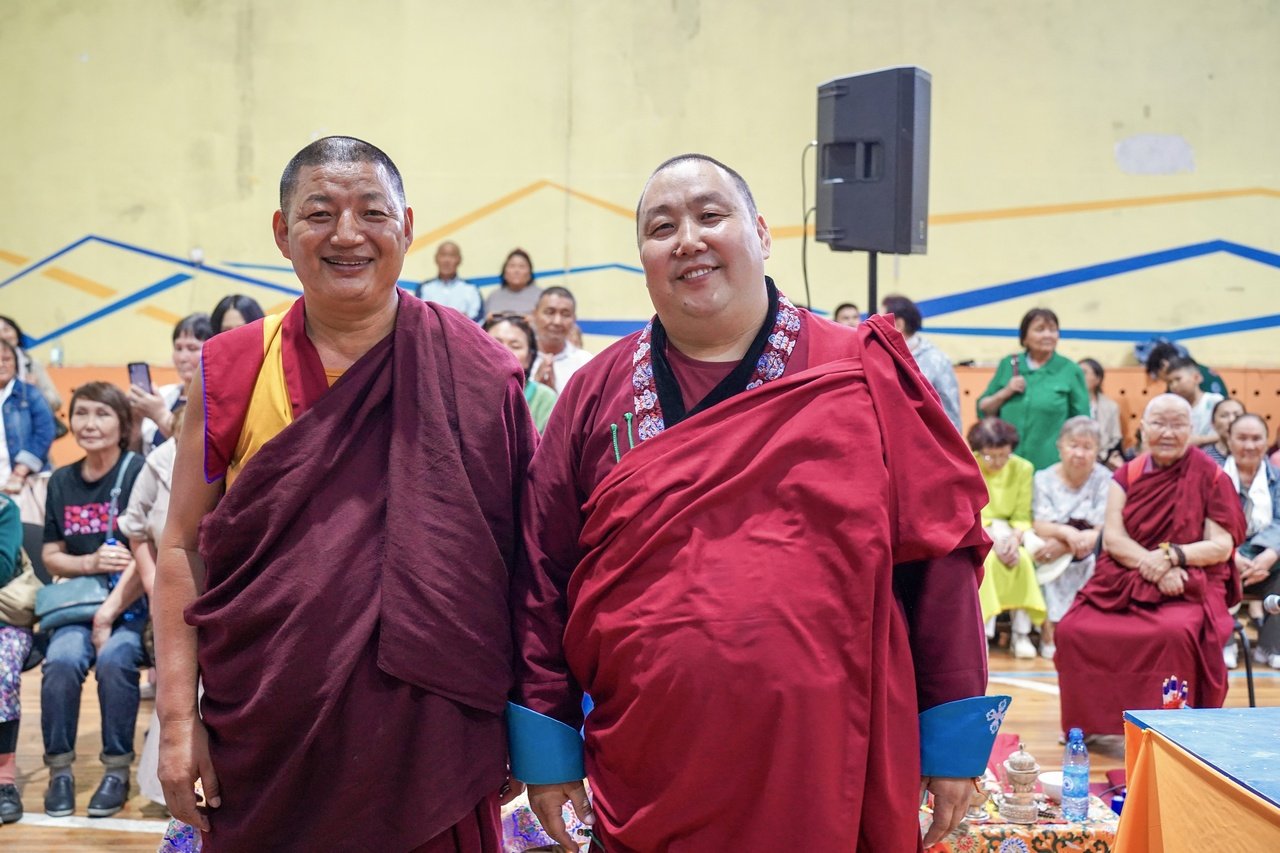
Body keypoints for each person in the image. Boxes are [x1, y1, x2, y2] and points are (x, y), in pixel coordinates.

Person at [510, 154, 1005, 852]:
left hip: (832, 757)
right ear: (643, 259)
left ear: (763, 234)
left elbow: (942, 553)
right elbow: (542, 570)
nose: (688, 239)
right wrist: (549, 744)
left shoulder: (862, 373)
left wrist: (951, 737)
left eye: (710, 216)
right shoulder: (593, 393)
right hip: (645, 762)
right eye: (661, 227)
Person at [154, 136, 536, 851]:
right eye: (320, 213)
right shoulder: (231, 368)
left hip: (435, 734)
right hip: (266, 731)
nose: (347, 234)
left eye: (371, 212)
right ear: (282, 232)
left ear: (408, 227)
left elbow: (526, 556)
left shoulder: (479, 371)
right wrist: (178, 721)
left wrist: (529, 721)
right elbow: (180, 548)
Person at [1055, 394, 1244, 736]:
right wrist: (1155, 565)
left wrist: (1173, 556)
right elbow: (1113, 539)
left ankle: (1171, 728)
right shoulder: (1127, 474)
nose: (1167, 433)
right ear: (1142, 428)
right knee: (1072, 629)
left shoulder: (1212, 476)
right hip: (1126, 577)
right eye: (1159, 423)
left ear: (1191, 429)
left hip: (1190, 581)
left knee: (1175, 633)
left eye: (1177, 425)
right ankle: (1090, 724)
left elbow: (1220, 546)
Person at [40, 381, 147, 818]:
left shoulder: (138, 470)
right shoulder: (61, 480)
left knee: (116, 661)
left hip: (131, 606)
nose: (89, 423)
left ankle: (116, 771)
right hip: (77, 605)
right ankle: (60, 771)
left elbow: (150, 555)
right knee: (61, 662)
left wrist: (108, 614)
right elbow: (50, 554)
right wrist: (89, 562)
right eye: (81, 413)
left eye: (102, 414)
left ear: (122, 424)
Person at [1031, 417, 1110, 660]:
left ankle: (1087, 634)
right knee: (1044, 558)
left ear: (1097, 451)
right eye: (1073, 445)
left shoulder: (1106, 479)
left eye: (1087, 447)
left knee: (1096, 562)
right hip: (1051, 542)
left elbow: (1104, 527)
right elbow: (1039, 523)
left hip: (1090, 547)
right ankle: (1050, 633)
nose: (1079, 453)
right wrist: (1067, 535)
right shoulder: (1043, 478)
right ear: (1060, 447)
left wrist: (1067, 546)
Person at [968, 418, 1046, 658]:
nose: (998, 462)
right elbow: (970, 509)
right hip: (978, 529)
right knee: (988, 563)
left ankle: (1021, 634)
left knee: (1021, 561)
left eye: (1003, 455)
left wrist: (1015, 537)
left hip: (1010, 532)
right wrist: (990, 538)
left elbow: (1022, 515)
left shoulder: (1023, 468)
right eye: (990, 456)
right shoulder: (969, 464)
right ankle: (983, 633)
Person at [977, 308, 1089, 471]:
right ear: (1025, 337)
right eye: (1040, 329)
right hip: (1006, 463)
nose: (1047, 335)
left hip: (1050, 465)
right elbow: (984, 408)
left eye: (1053, 330)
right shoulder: (1008, 364)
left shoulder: (1070, 370)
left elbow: (1082, 422)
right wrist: (1005, 392)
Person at [1223, 414, 1280, 670]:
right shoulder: (1212, 476)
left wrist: (1270, 553)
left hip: (1267, 557)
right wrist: (1232, 555)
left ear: (1266, 442)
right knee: (1212, 569)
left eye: (1256, 438)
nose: (1249, 445)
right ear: (1229, 441)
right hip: (1225, 553)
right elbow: (1204, 521)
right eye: (1242, 438)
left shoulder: (1277, 476)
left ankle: (1272, 646)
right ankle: (1224, 641)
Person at [130, 313, 211, 455]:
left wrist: (160, 415)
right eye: (178, 348)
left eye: (192, 348)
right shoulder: (164, 394)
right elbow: (138, 453)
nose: (182, 358)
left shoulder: (214, 402)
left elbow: (196, 451)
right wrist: (136, 421)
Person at [882, 294, 961, 430]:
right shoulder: (880, 357)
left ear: (899, 324)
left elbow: (951, 410)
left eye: (881, 321)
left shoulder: (936, 360)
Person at [0, 493, 33, 823]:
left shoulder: (4, 507)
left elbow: (2, 569)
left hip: (5, 622)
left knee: (2, 673)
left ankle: (4, 781)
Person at [1, 339, 56, 499]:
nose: (1, 364)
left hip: (24, 482)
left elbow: (45, 432)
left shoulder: (29, 393)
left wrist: (20, 471)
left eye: (6, 359)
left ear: (16, 363)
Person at [485, 314, 557, 432]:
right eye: (495, 343)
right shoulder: (465, 393)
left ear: (529, 358)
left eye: (515, 346)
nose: (504, 351)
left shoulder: (544, 398)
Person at [530, 286, 593, 393]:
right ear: (535, 314)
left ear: (574, 319)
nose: (557, 321)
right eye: (550, 312)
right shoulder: (520, 358)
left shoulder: (586, 362)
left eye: (565, 314)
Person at [0, 314, 61, 412]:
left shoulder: (32, 365)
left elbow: (56, 403)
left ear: (17, 333)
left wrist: (35, 391)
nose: (2, 336)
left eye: (6, 330)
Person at [418, 241, 483, 322]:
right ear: (436, 259)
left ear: (459, 260)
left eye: (452, 256)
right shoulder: (425, 288)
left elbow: (478, 321)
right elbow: (419, 317)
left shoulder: (471, 289)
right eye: (443, 255)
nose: (447, 260)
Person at [1166, 356, 1223, 448]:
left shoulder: (1216, 401)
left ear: (1197, 378)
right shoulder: (1172, 408)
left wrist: (1201, 440)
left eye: (1178, 379)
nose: (1174, 386)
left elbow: (1230, 433)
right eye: (1170, 382)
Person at [1078, 358, 1123, 468]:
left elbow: (1115, 438)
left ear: (1098, 379)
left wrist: (1102, 456)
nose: (1078, 377)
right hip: (1076, 456)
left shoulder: (1111, 406)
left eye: (1083, 373)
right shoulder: (1067, 404)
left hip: (1102, 459)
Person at [1145, 340, 1227, 397]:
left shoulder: (1190, 376)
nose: (1160, 379)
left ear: (1164, 364)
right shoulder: (1199, 369)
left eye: (1157, 375)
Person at [483, 248, 542, 319]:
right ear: (504, 272)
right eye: (512, 266)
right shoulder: (493, 296)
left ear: (529, 273)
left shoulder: (541, 296)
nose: (516, 271)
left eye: (522, 266)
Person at [1204, 398, 1246, 466]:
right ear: (1213, 423)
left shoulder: (1256, 454)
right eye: (1224, 416)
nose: (1231, 420)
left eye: (1237, 416)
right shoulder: (1204, 457)